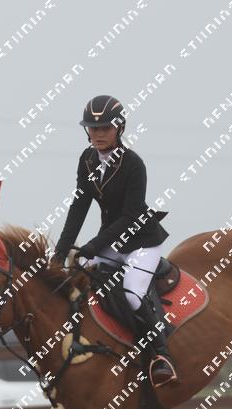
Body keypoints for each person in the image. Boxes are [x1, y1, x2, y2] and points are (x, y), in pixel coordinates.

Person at [53, 94, 177, 388]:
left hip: (141, 241)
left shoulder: (134, 164)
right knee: (81, 280)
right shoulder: (87, 160)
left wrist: (94, 245)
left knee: (132, 294)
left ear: (119, 128)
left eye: (105, 128)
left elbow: (131, 215)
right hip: (110, 241)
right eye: (92, 128)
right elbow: (78, 207)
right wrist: (59, 253)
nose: (98, 134)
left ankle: (161, 355)